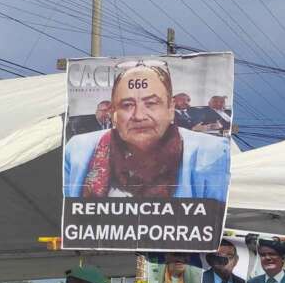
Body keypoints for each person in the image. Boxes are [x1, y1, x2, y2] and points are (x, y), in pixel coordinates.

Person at [63, 62, 231, 199]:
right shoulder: (79, 149)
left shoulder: (210, 153)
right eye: (127, 105)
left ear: (170, 109)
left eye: (151, 103)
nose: (138, 116)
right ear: (114, 112)